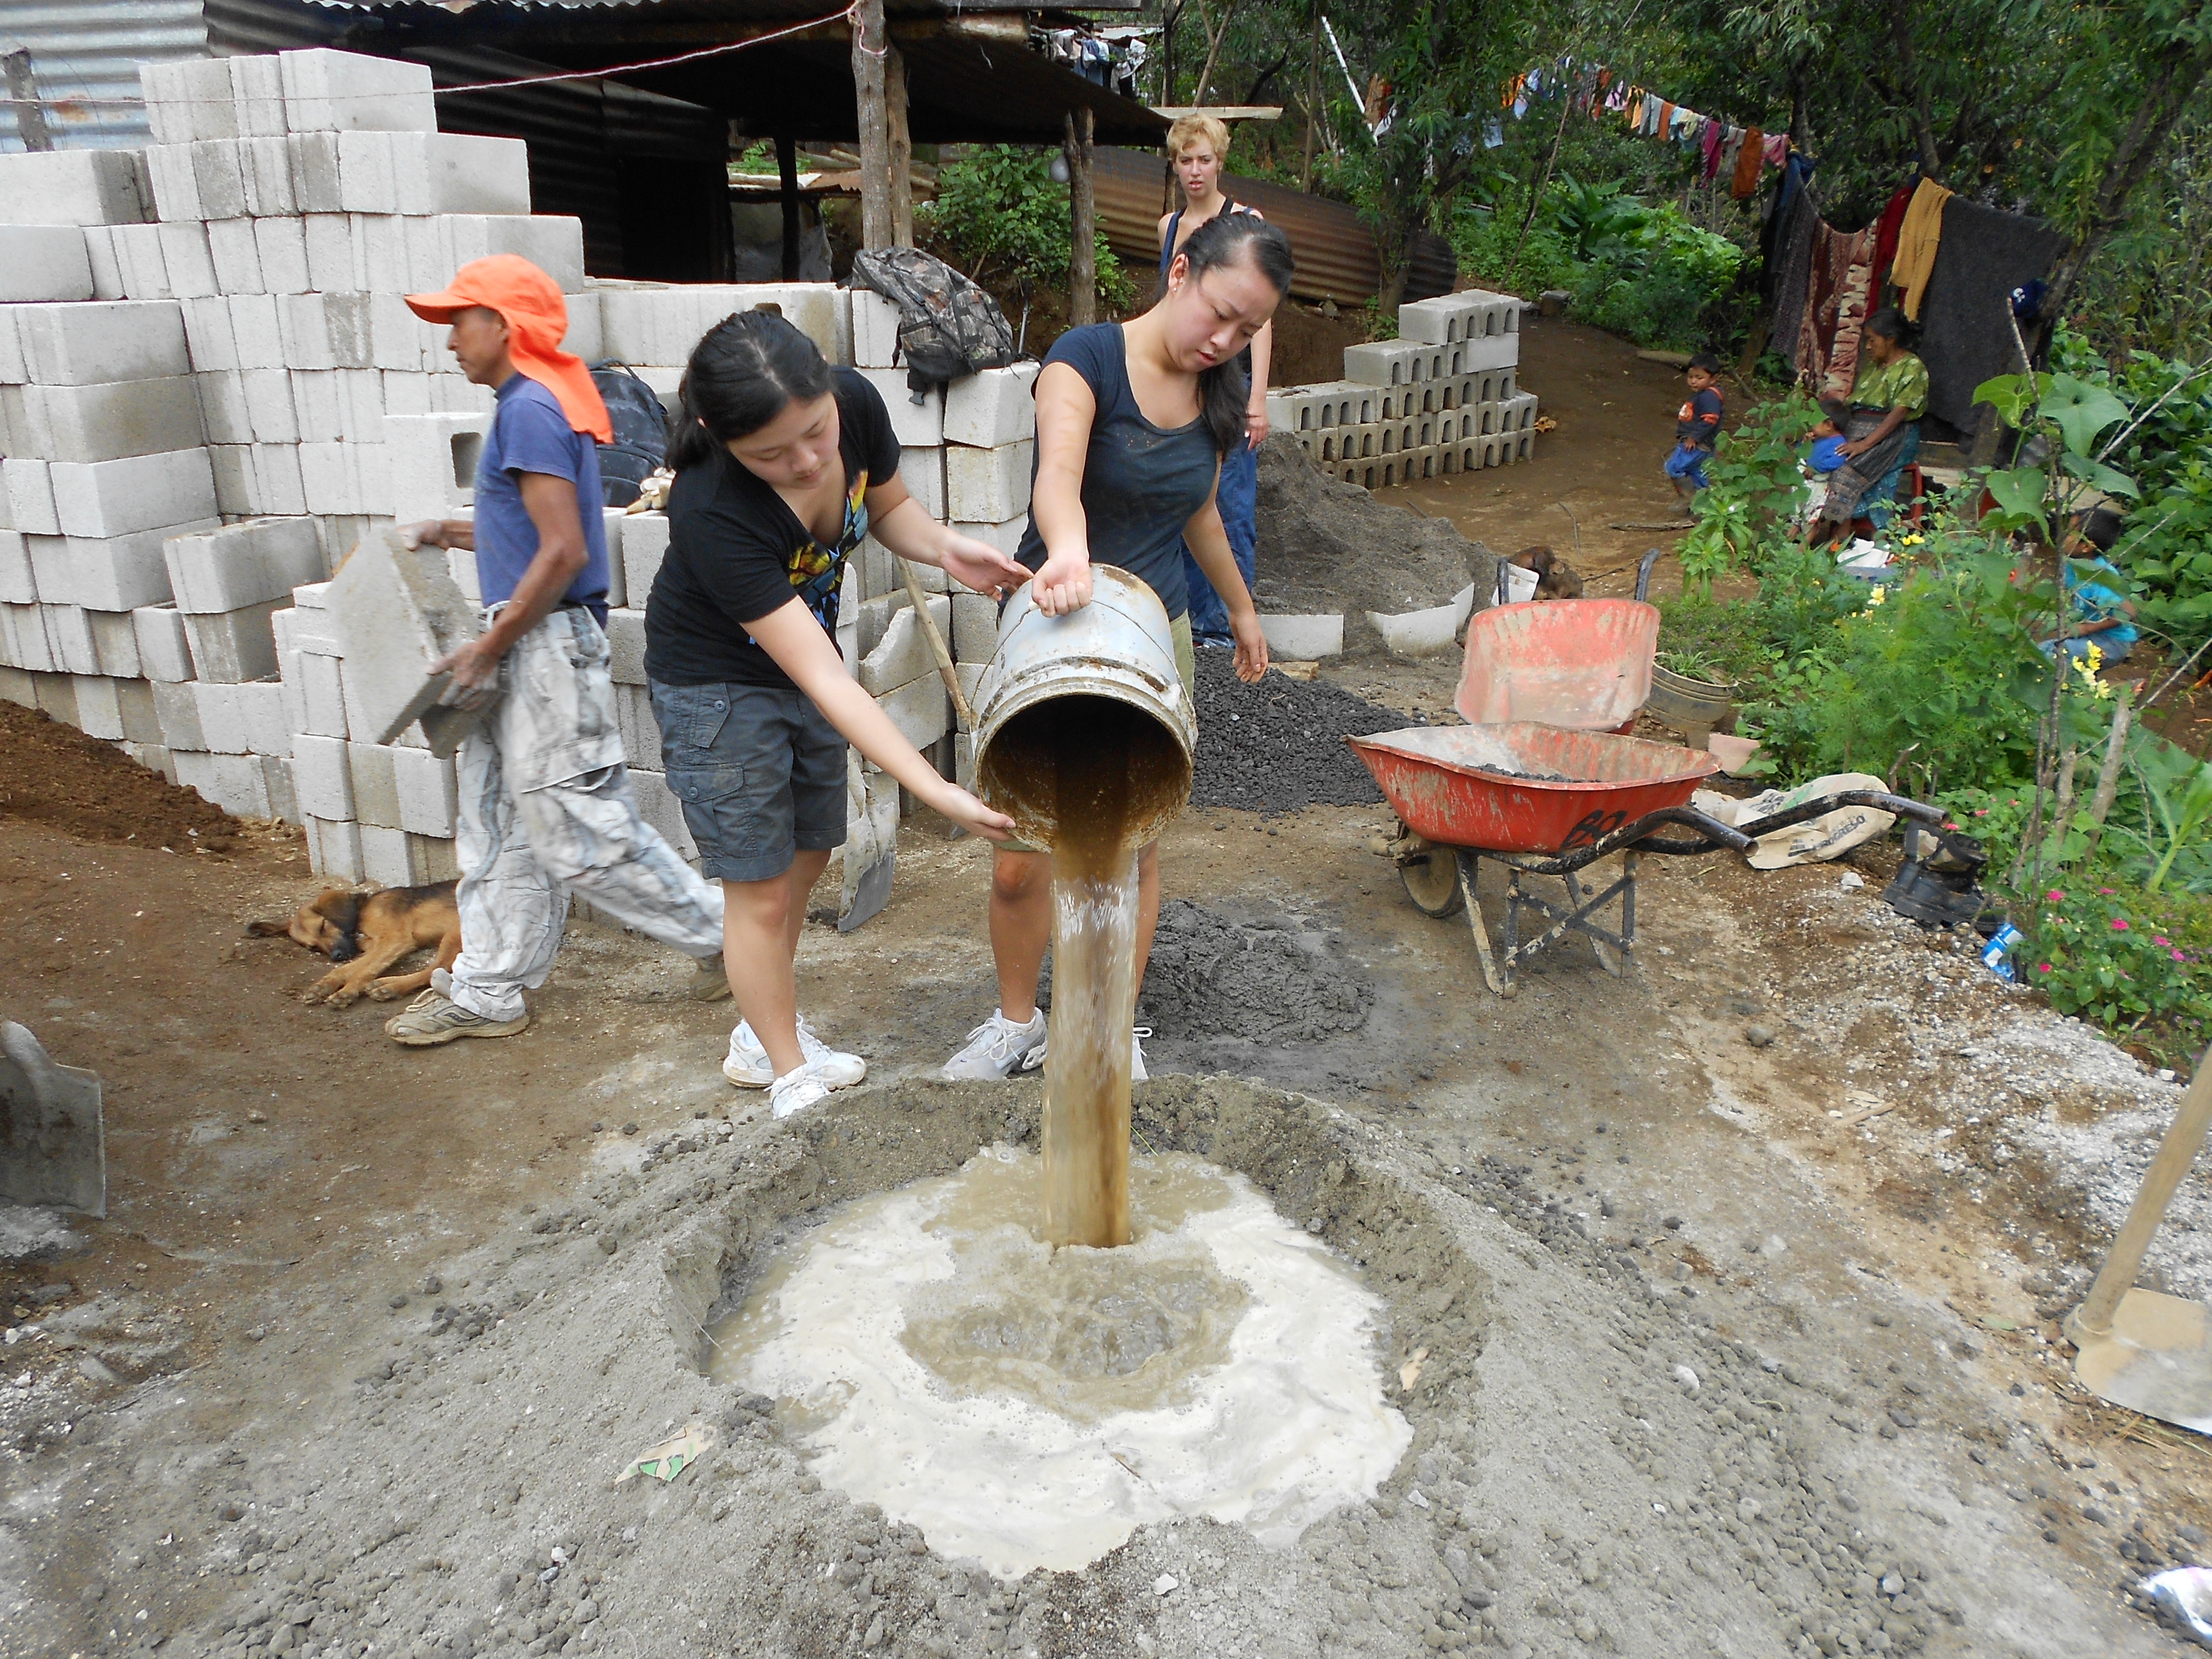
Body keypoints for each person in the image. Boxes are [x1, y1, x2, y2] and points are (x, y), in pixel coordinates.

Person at [645, 311, 1025, 1118]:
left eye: (815, 433)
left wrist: (951, 549)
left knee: (809, 854)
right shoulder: (710, 508)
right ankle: (785, 1072)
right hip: (718, 686)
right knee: (760, 890)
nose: (809, 461)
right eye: (772, 455)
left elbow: (884, 509)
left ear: (828, 388)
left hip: (799, 669)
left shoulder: (854, 403)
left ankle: (762, 1028)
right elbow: (827, 680)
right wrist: (939, 789)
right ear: (718, 434)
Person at [941, 211, 1290, 1082]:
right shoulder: (1085, 358)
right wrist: (1066, 549)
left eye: (1248, 329)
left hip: (1152, 632)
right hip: (1054, 622)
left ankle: (1111, 1028)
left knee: (1131, 841)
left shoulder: (1217, 387)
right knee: (1023, 860)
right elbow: (1057, 476)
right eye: (1219, 313)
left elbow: (1200, 513)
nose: (1227, 340)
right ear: (1180, 272)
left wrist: (1242, 612)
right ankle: (1017, 1021)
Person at [385, 256, 729, 1046]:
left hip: (540, 641)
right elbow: (530, 536)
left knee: (577, 829)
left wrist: (488, 646)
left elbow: (566, 551)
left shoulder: (532, 407)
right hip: (527, 637)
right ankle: (488, 988)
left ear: (502, 327)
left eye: (458, 322)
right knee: (498, 821)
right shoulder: (531, 403)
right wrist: (448, 532)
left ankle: (728, 938)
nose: (448, 342)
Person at [1157, 114, 1273, 648]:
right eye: (1186, 160)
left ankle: (1227, 629)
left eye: (1205, 159)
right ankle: (1184, 624)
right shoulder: (1169, 228)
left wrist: (1257, 399)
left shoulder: (1245, 221)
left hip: (1227, 385)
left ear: (1219, 162)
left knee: (1228, 507)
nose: (1195, 170)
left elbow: (1261, 318)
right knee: (1180, 497)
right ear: (1176, 164)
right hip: (1181, 386)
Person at [1805, 309, 1928, 545]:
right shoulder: (1875, 366)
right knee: (1821, 458)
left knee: (1845, 469)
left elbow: (1899, 413)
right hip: (1858, 428)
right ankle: (1822, 532)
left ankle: (1839, 540)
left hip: (1893, 436)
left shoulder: (1912, 367)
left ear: (1891, 339)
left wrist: (1864, 445)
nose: (1868, 347)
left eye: (1872, 340)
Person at [2042, 509, 2138, 667]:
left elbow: (2128, 613)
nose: (2062, 534)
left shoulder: (2101, 575)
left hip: (2112, 642)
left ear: (2086, 546)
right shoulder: (2072, 563)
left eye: (2070, 532)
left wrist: (2086, 628)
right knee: (2047, 651)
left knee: (2050, 654)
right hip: (2091, 637)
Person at [1665, 352, 1725, 513]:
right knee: (1699, 475)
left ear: (1713, 379)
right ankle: (1701, 510)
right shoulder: (1705, 395)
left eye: (1699, 378)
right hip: (1706, 446)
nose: (1693, 381)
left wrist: (1694, 438)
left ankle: (1687, 497)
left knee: (1673, 467)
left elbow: (1710, 420)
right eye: (1691, 376)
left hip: (1697, 445)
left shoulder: (1708, 397)